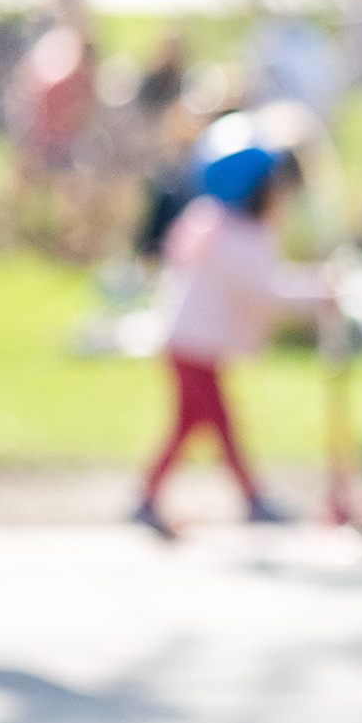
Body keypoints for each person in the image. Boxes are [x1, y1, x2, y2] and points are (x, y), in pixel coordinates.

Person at [134, 147, 334, 537]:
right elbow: (269, 294)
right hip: (195, 346)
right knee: (214, 424)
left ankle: (154, 494)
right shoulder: (241, 239)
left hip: (189, 342)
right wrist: (319, 294)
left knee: (193, 424)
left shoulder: (221, 227)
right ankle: (248, 496)